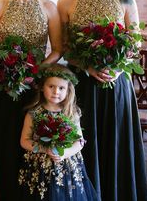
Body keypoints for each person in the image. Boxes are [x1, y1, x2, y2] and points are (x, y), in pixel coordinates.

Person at [57, 0, 147, 201]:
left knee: (115, 143)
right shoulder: (66, 2)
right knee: (85, 142)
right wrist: (87, 66)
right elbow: (65, 46)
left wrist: (119, 68)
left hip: (117, 83)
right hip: (82, 85)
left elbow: (135, 41)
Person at [0, 0, 62, 200]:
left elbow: (58, 49)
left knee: (32, 147)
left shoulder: (49, 7)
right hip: (4, 90)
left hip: (36, 90)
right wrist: (4, 70)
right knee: (4, 146)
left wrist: (38, 71)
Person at [19, 64, 97, 200]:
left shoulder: (71, 113)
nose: (56, 92)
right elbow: (24, 141)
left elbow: (79, 142)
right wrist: (44, 149)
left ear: (68, 91)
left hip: (67, 166)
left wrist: (65, 153)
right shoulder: (33, 113)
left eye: (61, 88)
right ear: (42, 87)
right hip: (40, 168)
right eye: (51, 87)